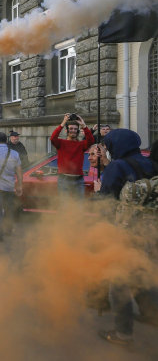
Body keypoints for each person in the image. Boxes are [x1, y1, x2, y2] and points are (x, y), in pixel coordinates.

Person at [97, 130, 158, 346]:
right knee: (143, 275)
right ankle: (152, 315)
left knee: (119, 282)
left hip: (126, 233)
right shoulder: (150, 163)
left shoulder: (117, 166)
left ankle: (123, 335)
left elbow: (106, 201)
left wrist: (98, 189)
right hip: (150, 232)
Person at [50, 113, 94, 198]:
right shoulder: (61, 143)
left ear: (77, 131)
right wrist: (63, 122)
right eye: (71, 129)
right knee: (65, 206)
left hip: (78, 180)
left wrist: (83, 125)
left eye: (75, 129)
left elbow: (91, 141)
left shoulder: (81, 145)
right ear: (66, 130)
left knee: (78, 206)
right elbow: (53, 138)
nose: (73, 130)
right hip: (64, 179)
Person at [0, 132, 23, 241]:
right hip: (9, 186)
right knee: (9, 209)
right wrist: (19, 186)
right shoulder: (14, 154)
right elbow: (19, 171)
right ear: (6, 140)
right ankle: (8, 229)